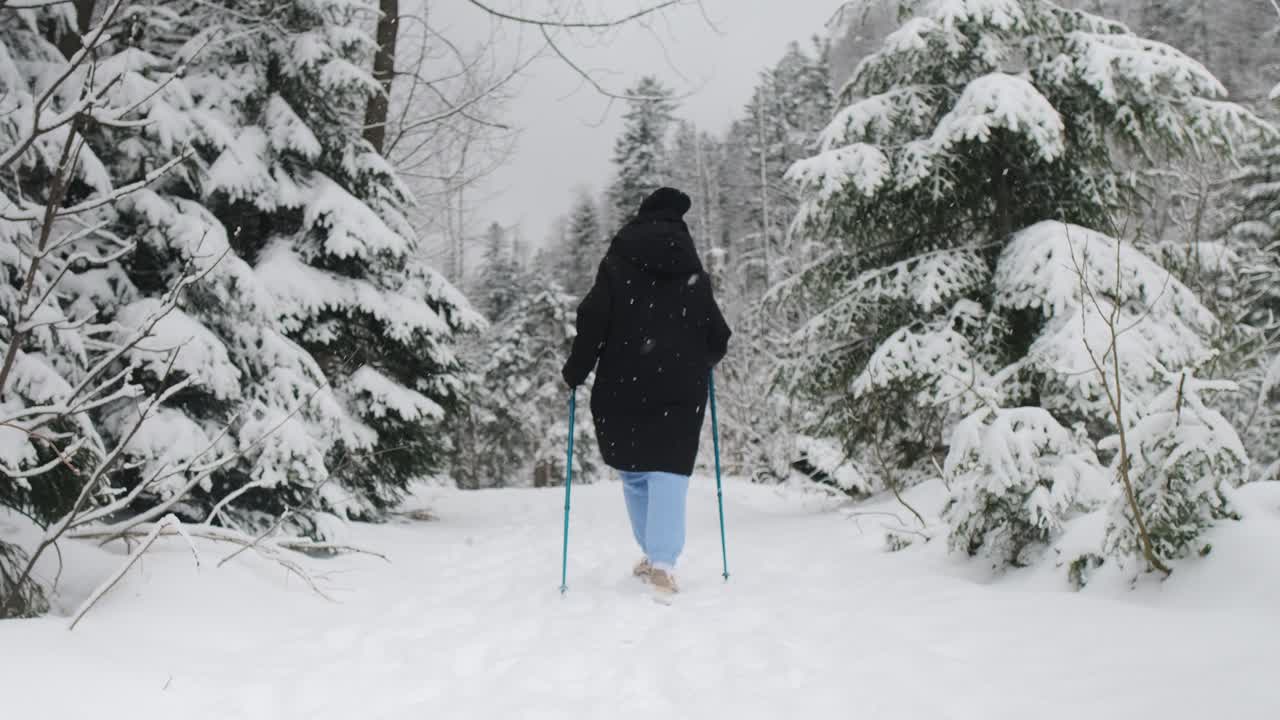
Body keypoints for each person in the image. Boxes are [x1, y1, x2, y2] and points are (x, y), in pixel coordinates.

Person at [561, 187, 732, 597]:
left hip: (623, 384)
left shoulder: (618, 264)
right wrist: (701, 357)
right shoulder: (693, 274)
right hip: (680, 387)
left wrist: (576, 370)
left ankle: (652, 554)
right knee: (669, 470)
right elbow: (719, 335)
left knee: (635, 470)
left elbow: (592, 319)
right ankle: (662, 563)